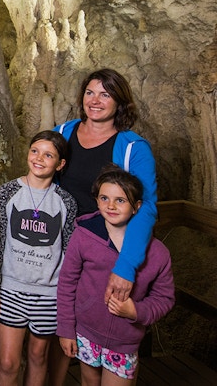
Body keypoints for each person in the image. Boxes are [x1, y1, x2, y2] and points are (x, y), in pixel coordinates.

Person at [50, 68, 157, 384]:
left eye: (105, 94)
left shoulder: (132, 148)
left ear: (119, 102)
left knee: (107, 335)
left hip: (105, 254)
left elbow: (146, 208)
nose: (95, 101)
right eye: (90, 92)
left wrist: (126, 266)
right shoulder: (63, 133)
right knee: (60, 334)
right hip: (61, 250)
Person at [57, 164, 175, 385]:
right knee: (89, 381)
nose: (110, 206)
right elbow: (67, 283)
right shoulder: (84, 236)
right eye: (104, 198)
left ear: (137, 206)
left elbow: (165, 297)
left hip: (125, 341)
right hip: (85, 333)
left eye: (120, 200)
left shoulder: (157, 253)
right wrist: (65, 329)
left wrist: (136, 312)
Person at [0, 130, 78, 386]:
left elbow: (68, 251)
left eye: (48, 155)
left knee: (38, 356)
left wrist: (66, 298)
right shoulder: (7, 193)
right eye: (35, 151)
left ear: (59, 165)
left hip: (49, 294)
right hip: (11, 290)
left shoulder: (65, 202)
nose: (39, 158)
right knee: (7, 361)